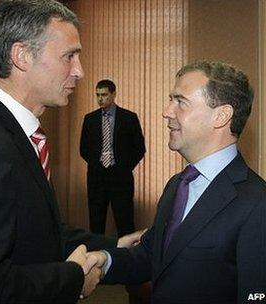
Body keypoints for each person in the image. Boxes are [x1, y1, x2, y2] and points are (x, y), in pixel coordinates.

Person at [0, 1, 144, 303]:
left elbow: (40, 233)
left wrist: (115, 245)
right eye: (69, 56)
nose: (80, 71)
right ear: (21, 56)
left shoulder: (13, 134)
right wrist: (73, 278)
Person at [89, 60, 266, 303]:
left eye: (180, 102)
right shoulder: (177, 185)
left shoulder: (257, 203)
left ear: (221, 116)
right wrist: (105, 261)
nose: (167, 111)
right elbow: (153, 256)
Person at [80, 79, 146, 237]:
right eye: (97, 95)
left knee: (125, 222)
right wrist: (97, 164)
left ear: (114, 94)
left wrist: (124, 167)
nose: (100, 99)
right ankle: (97, 257)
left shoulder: (129, 118)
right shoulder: (90, 119)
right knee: (96, 223)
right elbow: (83, 149)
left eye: (104, 95)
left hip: (121, 179)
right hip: (97, 178)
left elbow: (139, 148)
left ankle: (127, 258)